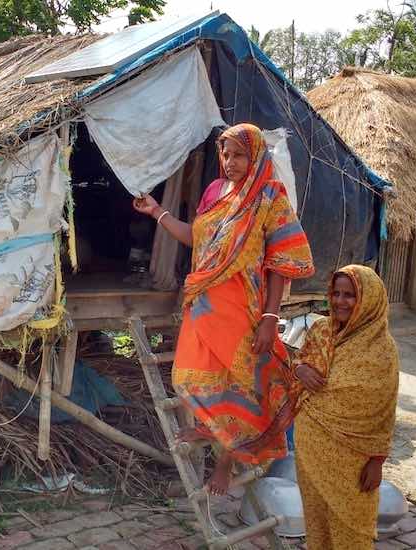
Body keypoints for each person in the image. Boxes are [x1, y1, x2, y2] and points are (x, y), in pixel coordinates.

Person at [132, 123, 314, 494]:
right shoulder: (215, 192)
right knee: (187, 376)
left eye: (239, 155)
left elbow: (282, 263)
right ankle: (207, 425)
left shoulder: (269, 197)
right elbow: (193, 237)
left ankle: (225, 465)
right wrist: (157, 213)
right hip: (204, 303)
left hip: (244, 307)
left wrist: (270, 318)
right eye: (226, 154)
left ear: (256, 155)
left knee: (238, 385)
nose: (230, 162)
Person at [290, 265, 400, 550]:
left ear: (368, 299)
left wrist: (377, 461)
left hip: (355, 460)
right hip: (311, 449)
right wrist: (300, 369)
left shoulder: (382, 350)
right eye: (335, 293)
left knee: (352, 530)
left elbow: (385, 411)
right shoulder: (321, 330)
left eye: (350, 295)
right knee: (316, 524)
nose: (339, 301)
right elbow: (299, 360)